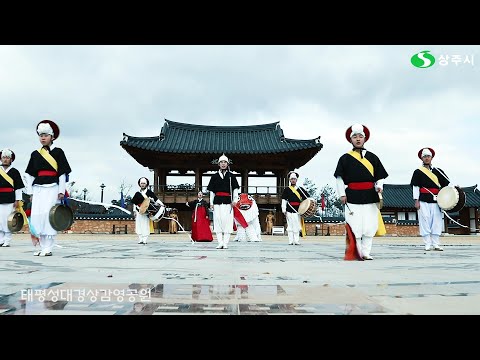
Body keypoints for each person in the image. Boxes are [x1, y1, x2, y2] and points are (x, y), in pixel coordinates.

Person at [334, 123, 388, 260]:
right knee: (354, 224)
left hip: (370, 194)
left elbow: (380, 176)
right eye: (355, 137)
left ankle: (366, 252)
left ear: (364, 139)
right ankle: (356, 251)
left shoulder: (373, 157)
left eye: (360, 136)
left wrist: (379, 186)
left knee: (370, 224)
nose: (358, 139)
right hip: (352, 194)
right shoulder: (344, 158)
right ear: (350, 140)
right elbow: (339, 178)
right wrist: (342, 194)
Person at [24, 120, 72, 256]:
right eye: (40, 135)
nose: (43, 138)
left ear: (52, 137)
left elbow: (62, 173)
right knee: (37, 215)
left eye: (45, 135)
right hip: (38, 187)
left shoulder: (58, 152)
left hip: (53, 188)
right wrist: (30, 192)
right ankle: (41, 245)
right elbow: (30, 174)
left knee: (49, 215)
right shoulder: (35, 154)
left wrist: (61, 191)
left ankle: (48, 247)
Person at [410, 147, 449, 251]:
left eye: (428, 156)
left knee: (436, 221)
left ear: (431, 158)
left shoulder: (438, 171)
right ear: (422, 158)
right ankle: (427, 243)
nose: (427, 158)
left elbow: (445, 185)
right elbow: (416, 187)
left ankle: (436, 243)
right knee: (424, 220)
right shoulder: (418, 171)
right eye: (425, 156)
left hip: (436, 200)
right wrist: (416, 200)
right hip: (423, 199)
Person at [207, 153, 240, 249]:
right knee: (217, 221)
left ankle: (225, 243)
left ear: (227, 164)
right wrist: (211, 203)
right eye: (221, 162)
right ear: (218, 164)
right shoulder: (214, 177)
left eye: (225, 162)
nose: (223, 164)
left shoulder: (231, 176)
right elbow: (212, 191)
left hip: (228, 202)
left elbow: (235, 189)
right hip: (217, 201)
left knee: (227, 221)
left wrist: (235, 200)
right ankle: (220, 242)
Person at [0, 149, 25, 247]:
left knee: (8, 219)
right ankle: (1, 239)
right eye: (3, 157)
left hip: (10, 198)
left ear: (11, 159)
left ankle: (7, 240)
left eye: (7, 158)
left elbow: (18, 188)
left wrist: (17, 200)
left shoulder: (15, 172)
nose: (5, 160)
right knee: (0, 219)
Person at [131, 177, 164, 244]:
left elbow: (156, 199)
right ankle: (140, 239)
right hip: (139, 211)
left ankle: (145, 239)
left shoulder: (149, 192)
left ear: (146, 184)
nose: (142, 185)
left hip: (146, 212)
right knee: (138, 225)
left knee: (145, 225)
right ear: (139, 184)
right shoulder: (137, 193)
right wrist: (134, 210)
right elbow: (135, 203)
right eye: (141, 183)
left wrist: (162, 204)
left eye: (144, 183)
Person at [281, 171, 310, 245]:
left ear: (296, 180)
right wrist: (283, 209)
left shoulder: (300, 189)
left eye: (294, 179)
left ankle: (296, 240)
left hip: (298, 209)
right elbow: (284, 200)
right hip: (289, 208)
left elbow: (307, 198)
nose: (293, 180)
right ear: (290, 180)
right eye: (292, 179)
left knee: (297, 225)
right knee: (290, 225)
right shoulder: (287, 189)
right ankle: (290, 241)